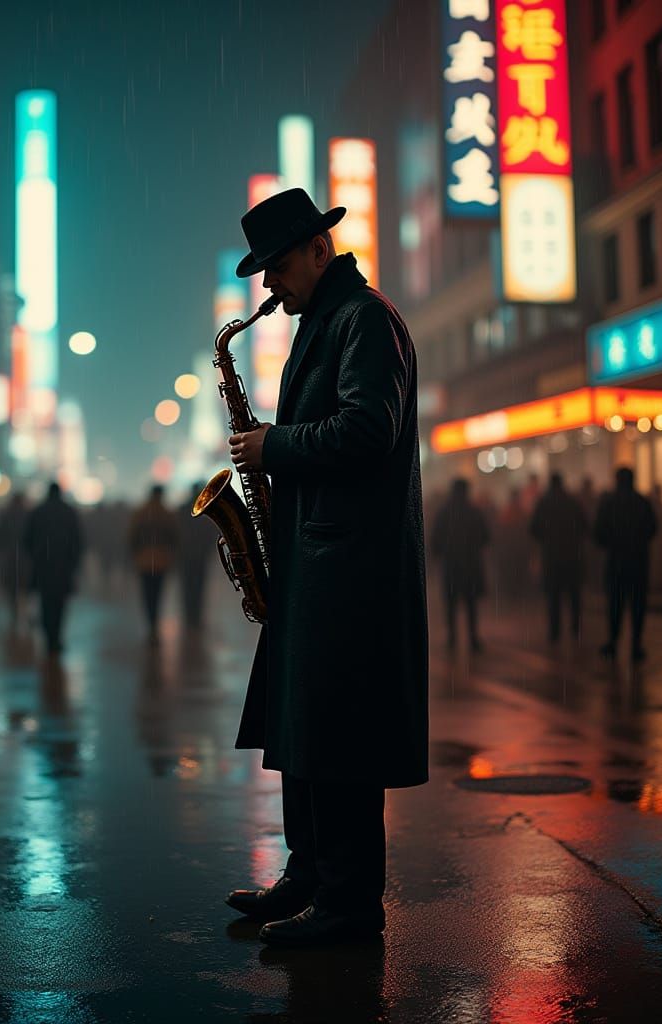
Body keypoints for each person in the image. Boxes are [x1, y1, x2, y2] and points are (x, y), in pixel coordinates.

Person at [222, 188, 428, 947]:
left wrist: (273, 447)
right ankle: (308, 874)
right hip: (320, 569)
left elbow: (366, 431)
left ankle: (348, 908)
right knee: (305, 729)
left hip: (349, 577)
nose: (268, 286)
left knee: (339, 743)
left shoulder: (364, 318)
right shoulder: (331, 319)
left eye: (275, 267)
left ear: (317, 249)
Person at [595, 467, 657, 662]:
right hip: (638, 562)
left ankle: (613, 641)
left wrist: (612, 543)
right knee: (638, 605)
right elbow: (652, 528)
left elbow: (599, 533)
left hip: (616, 563)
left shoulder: (609, 503)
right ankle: (636, 644)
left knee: (615, 604)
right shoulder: (642, 502)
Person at [430, 478, 489, 653]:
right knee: (471, 605)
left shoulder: (444, 513)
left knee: (451, 604)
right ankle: (473, 639)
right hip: (470, 565)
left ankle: (452, 639)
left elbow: (435, 540)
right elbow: (485, 537)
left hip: (451, 566)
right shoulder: (473, 511)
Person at [23, 482, 82, 656]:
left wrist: (37, 556)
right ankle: (56, 638)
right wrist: (73, 563)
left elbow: (27, 539)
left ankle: (49, 639)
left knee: (46, 603)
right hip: (64, 567)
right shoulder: (69, 512)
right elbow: (77, 541)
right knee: (60, 605)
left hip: (43, 566)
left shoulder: (38, 512)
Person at [529, 472, 587, 644]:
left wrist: (547, 539)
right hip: (572, 556)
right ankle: (575, 628)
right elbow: (585, 526)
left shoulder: (544, 503)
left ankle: (555, 631)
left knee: (553, 596)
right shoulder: (573, 502)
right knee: (574, 595)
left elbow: (534, 529)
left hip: (552, 557)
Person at [127, 485, 179, 641]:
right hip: (161, 560)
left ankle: (151, 625)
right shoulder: (167, 514)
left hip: (144, 560)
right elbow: (174, 538)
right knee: (158, 594)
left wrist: (136, 555)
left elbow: (132, 537)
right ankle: (154, 626)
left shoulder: (140, 513)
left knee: (147, 595)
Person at [178, 482, 216, 630]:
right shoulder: (206, 510)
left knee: (187, 587)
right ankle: (196, 616)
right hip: (200, 555)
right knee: (199, 586)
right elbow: (210, 533)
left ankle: (189, 616)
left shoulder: (182, 510)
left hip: (186, 555)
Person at [0, 491, 30, 629]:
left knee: (11, 589)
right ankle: (25, 612)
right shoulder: (28, 516)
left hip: (9, 558)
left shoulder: (5, 516)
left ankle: (14, 614)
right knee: (25, 588)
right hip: (25, 559)